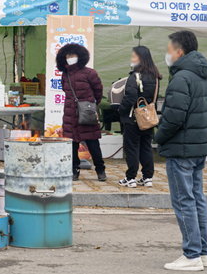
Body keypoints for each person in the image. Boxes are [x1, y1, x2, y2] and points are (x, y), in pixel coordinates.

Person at [154, 30, 207, 271]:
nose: (167, 54)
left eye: (169, 49)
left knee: (184, 200)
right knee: (197, 198)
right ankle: (203, 252)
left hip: (181, 148)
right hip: (198, 146)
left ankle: (191, 255)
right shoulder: (203, 75)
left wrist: (159, 137)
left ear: (179, 51)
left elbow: (174, 117)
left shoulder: (182, 78)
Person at [57, 43, 106, 182]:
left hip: (86, 113)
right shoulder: (64, 74)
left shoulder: (90, 73)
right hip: (70, 114)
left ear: (80, 56)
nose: (70, 58)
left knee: (93, 143)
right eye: (68, 56)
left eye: (73, 55)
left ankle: (100, 169)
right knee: (72, 145)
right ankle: (74, 170)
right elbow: (65, 91)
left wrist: (89, 105)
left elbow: (98, 92)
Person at [117, 46, 161, 188]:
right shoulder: (155, 77)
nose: (132, 58)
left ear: (141, 58)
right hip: (148, 118)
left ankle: (131, 178)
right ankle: (147, 177)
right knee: (146, 147)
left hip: (133, 118)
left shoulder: (135, 76)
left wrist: (121, 110)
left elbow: (130, 97)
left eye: (134, 56)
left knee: (132, 148)